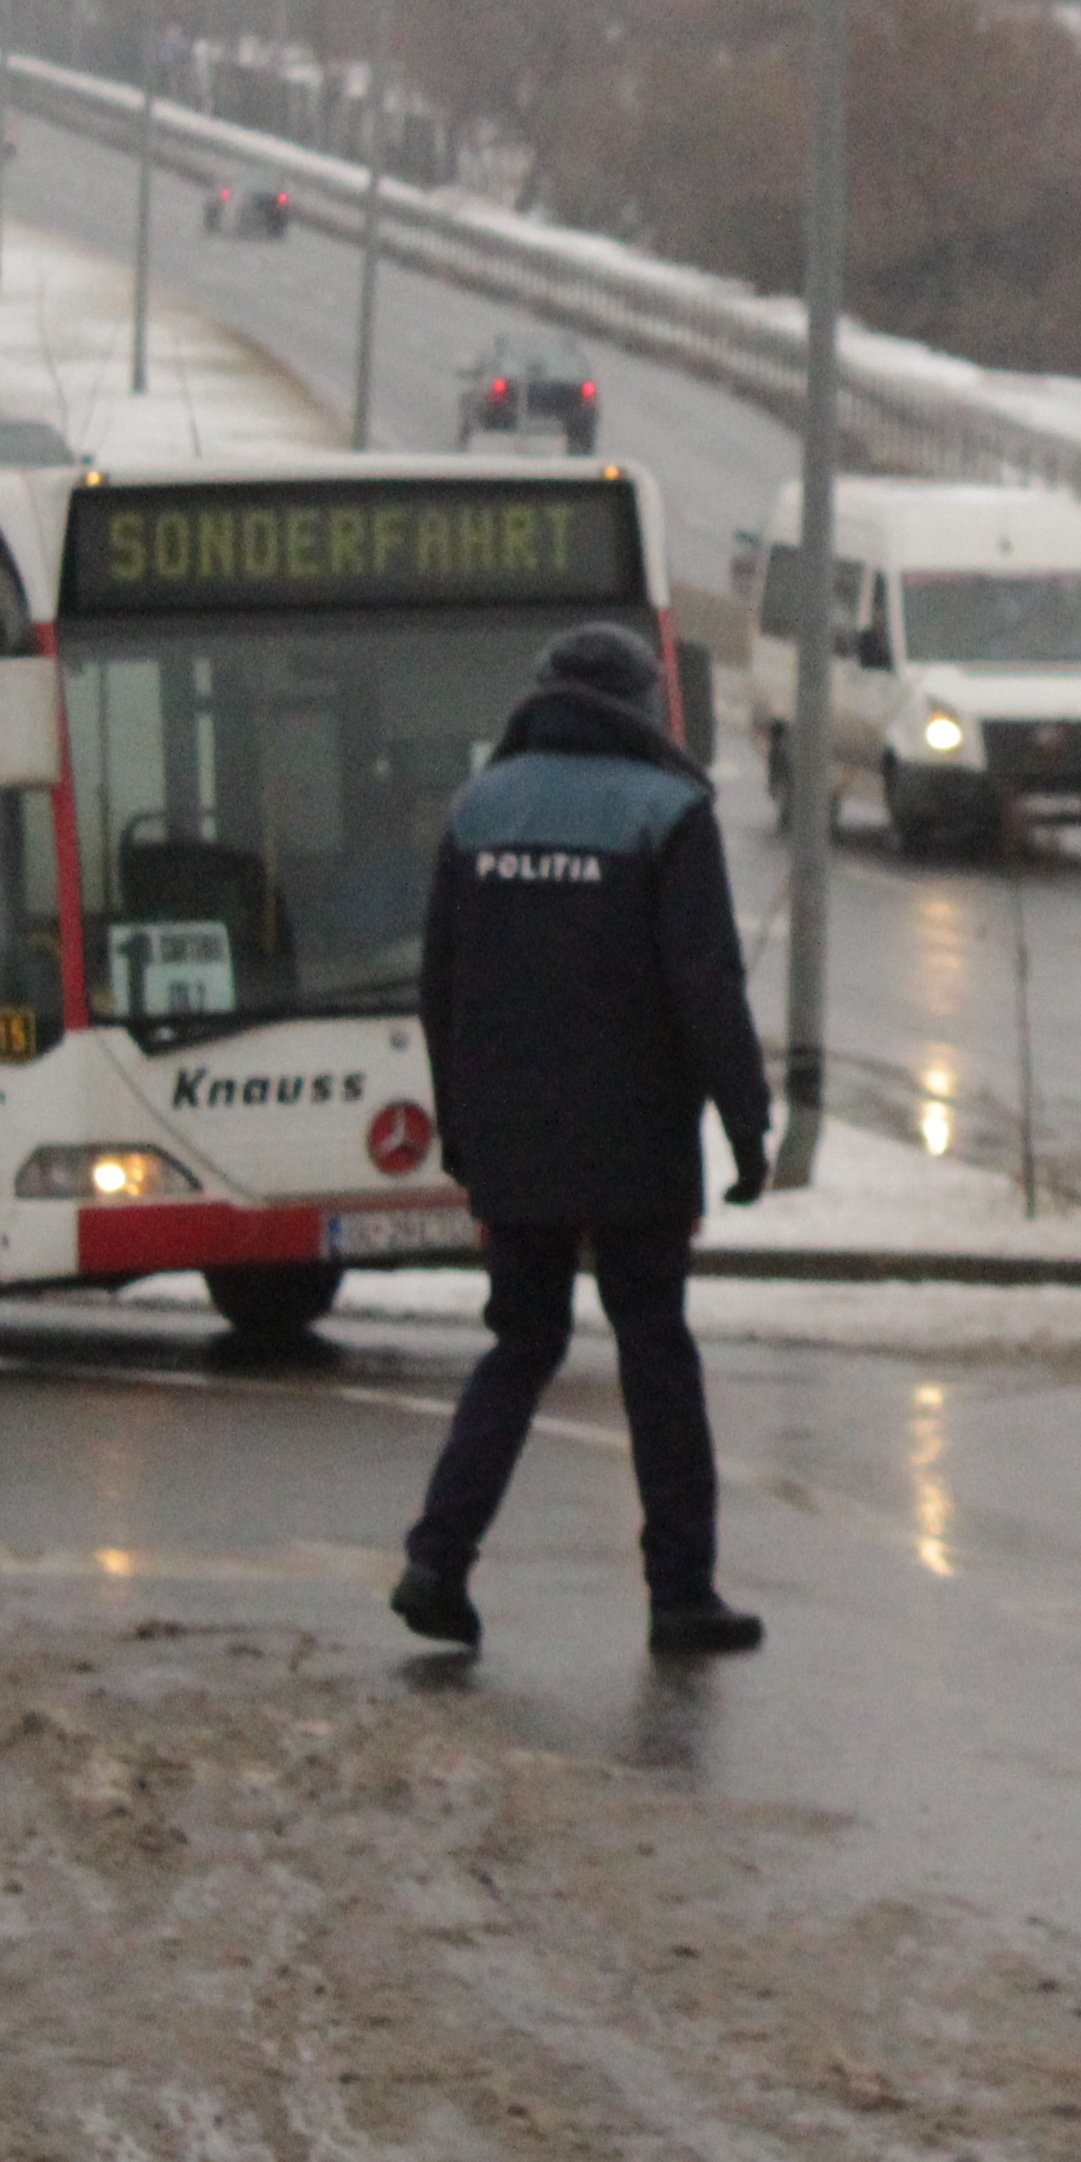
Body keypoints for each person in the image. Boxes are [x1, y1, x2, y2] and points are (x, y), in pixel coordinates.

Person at [393, 620, 774, 1659]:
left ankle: (436, 1562)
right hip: (636, 1139)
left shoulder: (480, 809)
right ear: (644, 703)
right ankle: (681, 1594)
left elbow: (440, 990)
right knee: (654, 1348)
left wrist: (462, 1129)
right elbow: (707, 989)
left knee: (521, 1343)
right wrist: (746, 1126)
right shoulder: (669, 810)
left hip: (511, 1137)